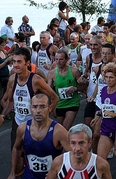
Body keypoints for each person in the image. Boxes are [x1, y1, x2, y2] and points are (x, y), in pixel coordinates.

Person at [1, 47, 59, 177]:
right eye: (14, 61)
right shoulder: (12, 79)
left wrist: (45, 116)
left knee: (35, 159)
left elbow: (54, 97)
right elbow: (10, 101)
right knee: (16, 155)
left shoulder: (36, 80)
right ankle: (13, 174)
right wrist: (3, 115)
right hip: (18, 124)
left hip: (34, 125)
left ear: (27, 63)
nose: (16, 65)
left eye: (19, 62)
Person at [7, 93, 71, 179]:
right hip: (29, 176)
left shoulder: (59, 131)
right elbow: (16, 148)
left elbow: (73, 154)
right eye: (35, 107)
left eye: (42, 107)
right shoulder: (22, 128)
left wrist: (60, 171)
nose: (38, 111)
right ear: (30, 108)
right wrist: (12, 172)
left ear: (50, 108)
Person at [46, 123, 112, 179]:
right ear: (69, 143)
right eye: (73, 143)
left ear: (89, 143)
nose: (77, 148)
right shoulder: (59, 162)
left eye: (81, 143)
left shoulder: (101, 165)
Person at [93, 62, 116, 161]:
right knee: (101, 160)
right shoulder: (104, 90)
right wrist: (98, 116)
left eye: (111, 77)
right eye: (106, 77)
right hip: (106, 128)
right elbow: (104, 107)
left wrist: (113, 114)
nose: (108, 80)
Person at [47, 49, 81, 130]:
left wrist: (75, 88)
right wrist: (52, 106)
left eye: (61, 59)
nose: (58, 62)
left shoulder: (74, 71)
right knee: (61, 130)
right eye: (56, 59)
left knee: (65, 129)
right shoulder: (52, 73)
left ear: (66, 60)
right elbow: (49, 91)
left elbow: (83, 88)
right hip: (60, 104)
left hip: (72, 103)